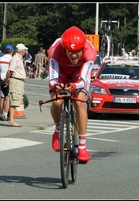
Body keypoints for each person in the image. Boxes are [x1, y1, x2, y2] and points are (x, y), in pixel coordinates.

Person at [47, 26, 97, 163]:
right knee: (57, 101)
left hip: (79, 73)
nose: (73, 55)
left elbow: (83, 78)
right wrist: (55, 85)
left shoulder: (90, 53)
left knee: (79, 103)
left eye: (77, 51)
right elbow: (52, 77)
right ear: (64, 49)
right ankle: (57, 130)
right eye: (69, 51)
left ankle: (82, 147)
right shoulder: (54, 51)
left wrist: (76, 86)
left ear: (83, 49)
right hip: (61, 71)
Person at [5, 43, 28, 127]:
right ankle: (11, 120)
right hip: (16, 80)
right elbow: (10, 70)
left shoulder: (19, 58)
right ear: (22, 50)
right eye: (25, 50)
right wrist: (7, 79)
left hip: (19, 81)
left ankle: (11, 120)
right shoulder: (16, 58)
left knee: (16, 99)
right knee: (14, 100)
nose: (25, 51)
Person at [0, 44, 13, 121]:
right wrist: (8, 79)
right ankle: (5, 115)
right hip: (8, 79)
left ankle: (0, 114)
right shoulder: (11, 59)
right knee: (8, 97)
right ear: (12, 51)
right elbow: (11, 70)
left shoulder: (0, 59)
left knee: (2, 97)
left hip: (1, 78)